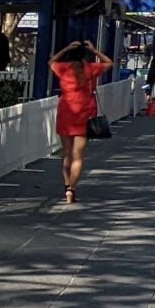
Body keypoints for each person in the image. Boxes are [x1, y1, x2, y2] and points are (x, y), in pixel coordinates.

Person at [51, 40, 113, 203]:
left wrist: (65, 47)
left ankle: (66, 186)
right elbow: (109, 62)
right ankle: (72, 188)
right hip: (85, 114)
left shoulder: (63, 69)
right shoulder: (91, 69)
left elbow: (51, 61)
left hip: (66, 113)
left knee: (66, 154)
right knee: (78, 156)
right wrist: (94, 51)